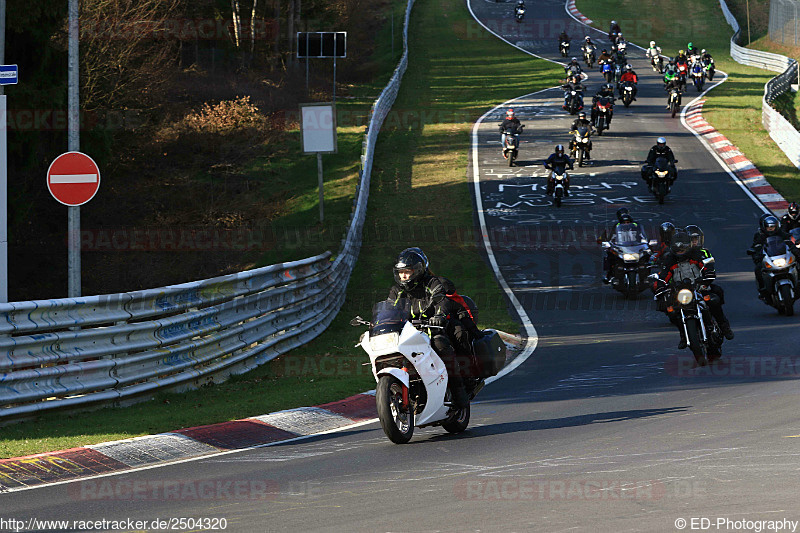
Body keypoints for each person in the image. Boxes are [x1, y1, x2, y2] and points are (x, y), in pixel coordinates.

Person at [388, 248, 470, 407]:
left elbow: (441, 301)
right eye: (400, 272)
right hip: (409, 332)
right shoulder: (396, 290)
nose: (403, 276)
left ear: (417, 270)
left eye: (407, 271)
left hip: (433, 328)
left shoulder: (432, 283)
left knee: (440, 345)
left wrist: (439, 316)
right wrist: (379, 323)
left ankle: (459, 391)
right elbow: (389, 308)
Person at [655, 229, 734, 348]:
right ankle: (683, 334)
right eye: (678, 250)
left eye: (682, 250)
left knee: (714, 299)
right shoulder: (670, 259)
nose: (680, 252)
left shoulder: (698, 254)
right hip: (680, 290)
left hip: (699, 286)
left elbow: (707, 266)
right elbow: (664, 274)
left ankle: (723, 325)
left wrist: (708, 276)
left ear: (688, 247)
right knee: (671, 309)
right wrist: (660, 286)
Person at [750, 215, 792, 299]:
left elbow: (788, 240)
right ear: (764, 227)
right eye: (768, 227)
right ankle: (763, 290)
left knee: (797, 261)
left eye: (772, 227)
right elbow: (756, 245)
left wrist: (794, 249)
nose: (770, 229)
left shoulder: (780, 232)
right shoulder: (759, 235)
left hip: (781, 256)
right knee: (758, 269)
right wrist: (756, 254)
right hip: (768, 258)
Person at [601, 208, 646, 283]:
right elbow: (612, 237)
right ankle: (608, 275)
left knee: (647, 256)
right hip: (621, 247)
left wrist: (645, 242)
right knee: (609, 256)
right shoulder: (616, 226)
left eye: (628, 222)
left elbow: (642, 235)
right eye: (624, 222)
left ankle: (646, 275)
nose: (626, 224)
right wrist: (610, 244)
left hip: (635, 246)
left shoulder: (636, 225)